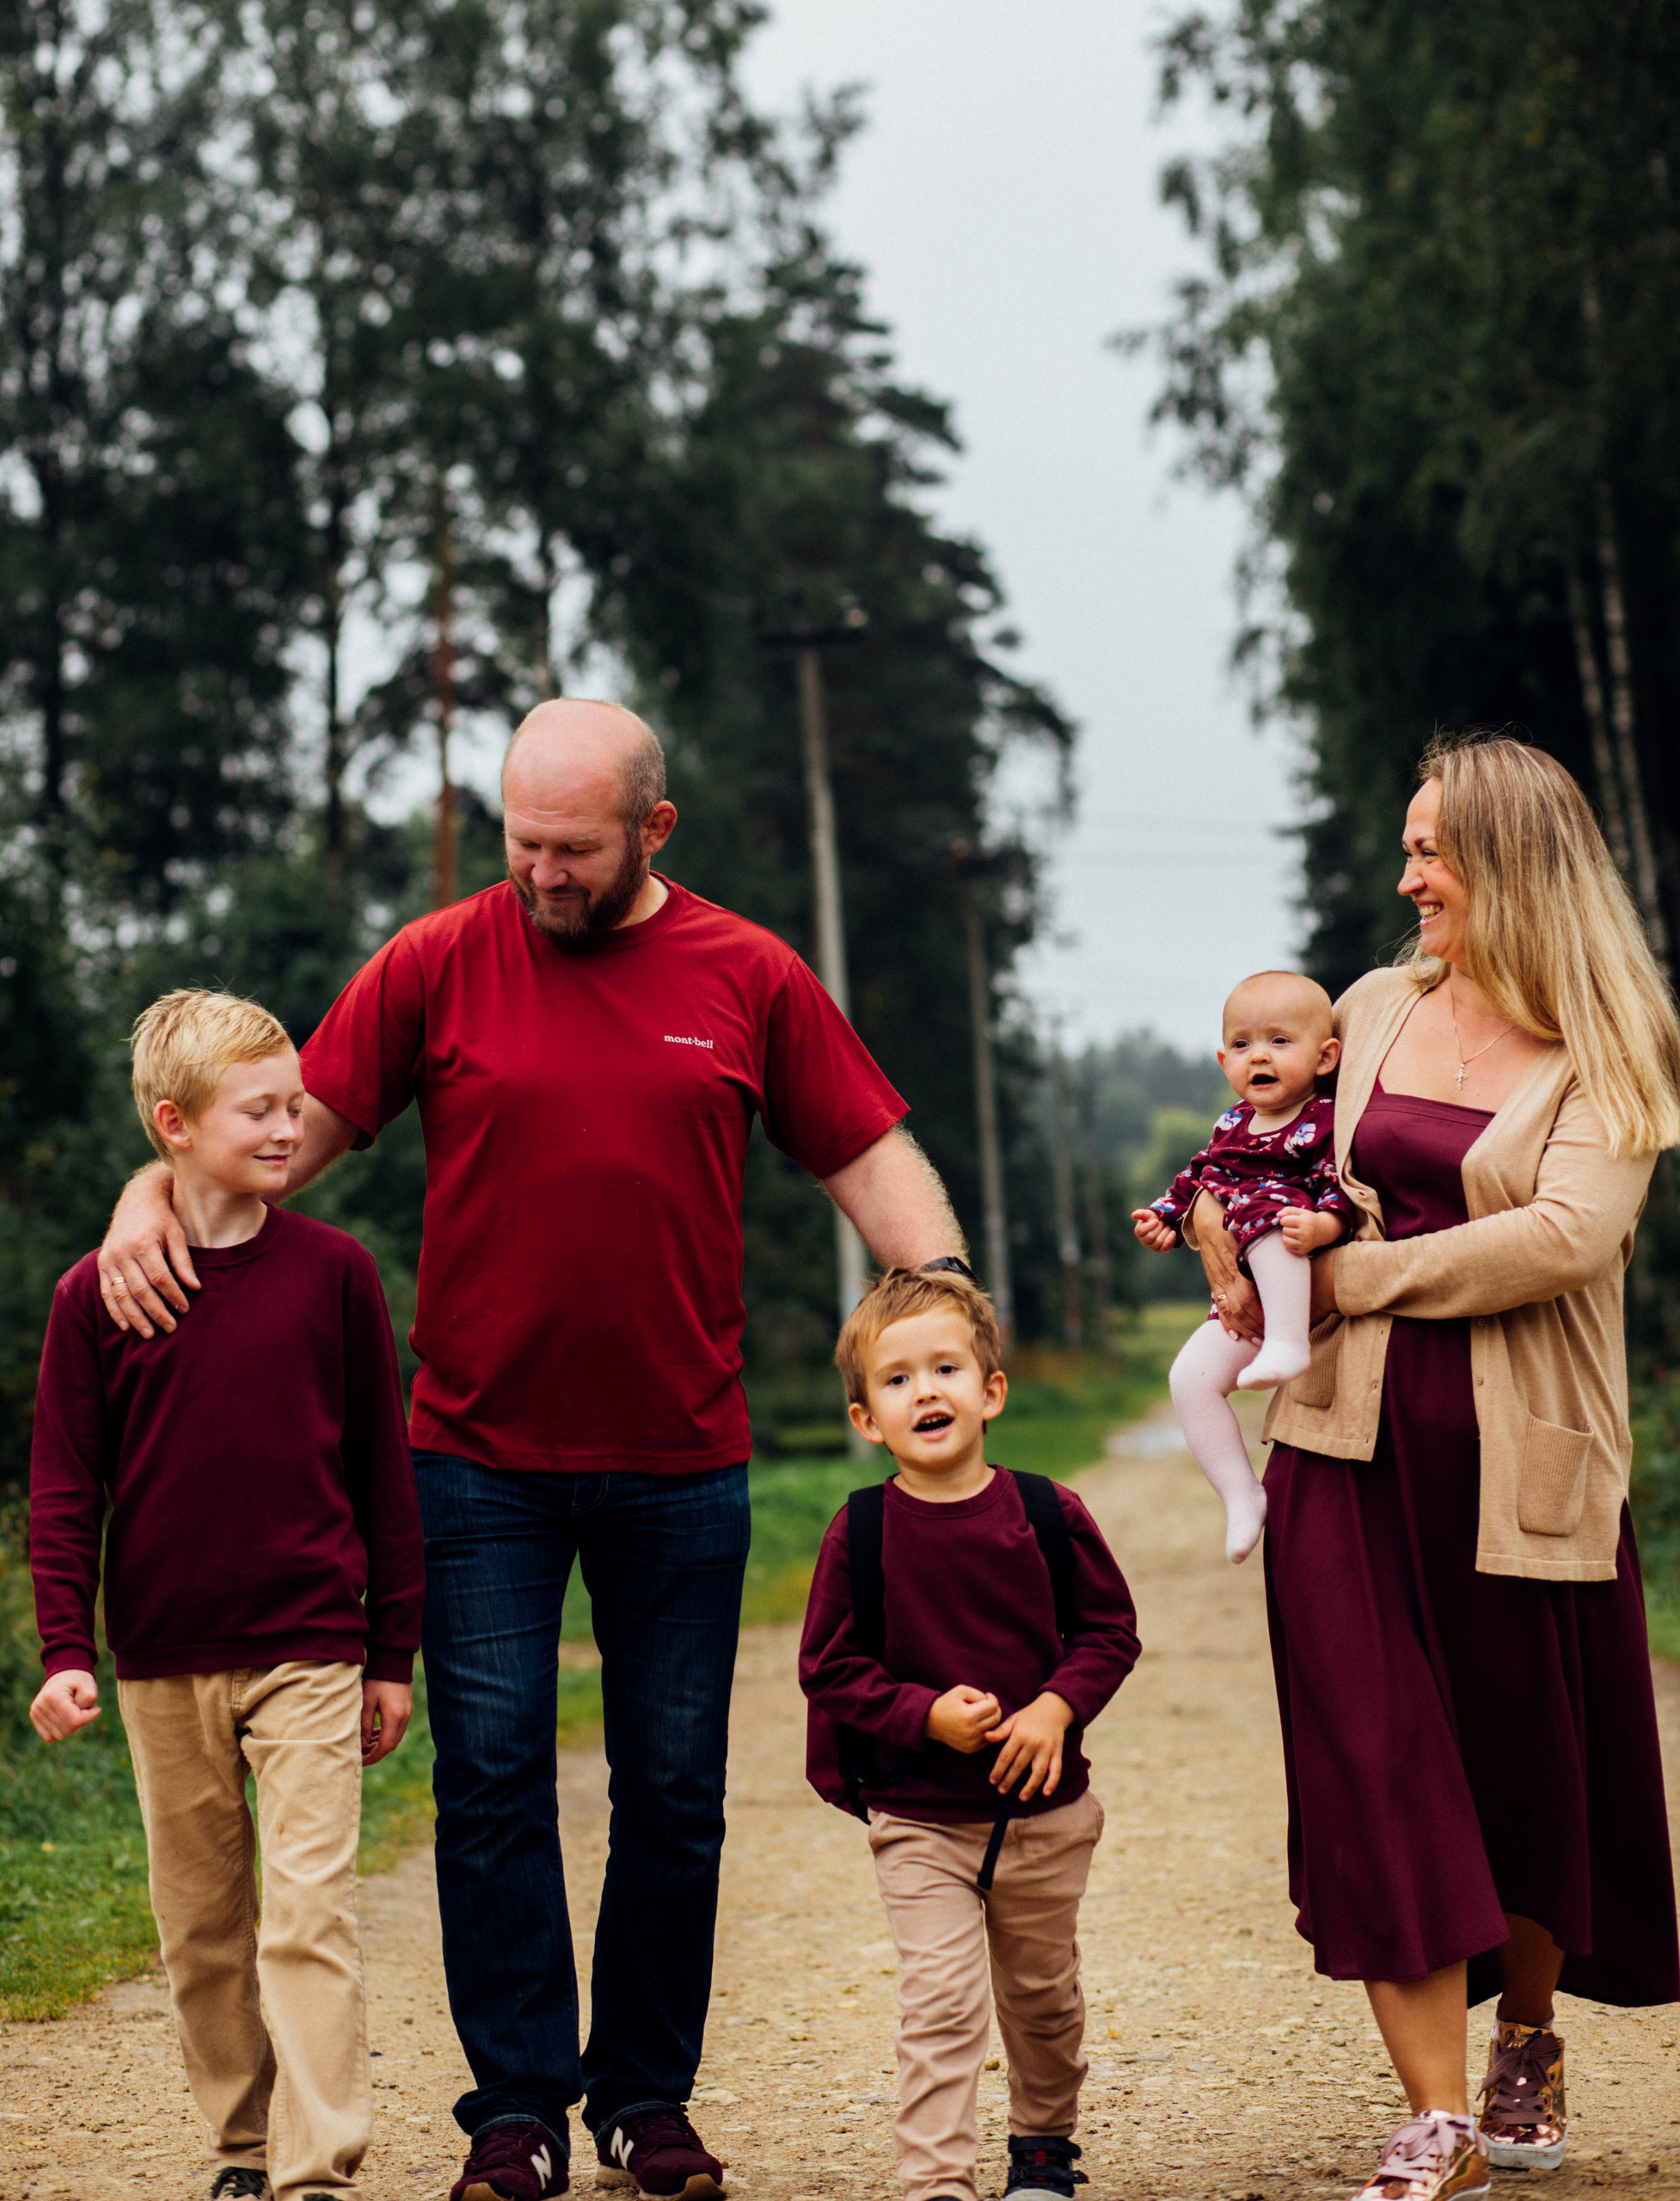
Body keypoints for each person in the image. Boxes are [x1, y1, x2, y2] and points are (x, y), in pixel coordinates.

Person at [97, 701, 972, 2201]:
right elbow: (273, 1138)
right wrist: (143, 1195)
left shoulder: (747, 973)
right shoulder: (434, 962)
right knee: (492, 1784)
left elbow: (863, 1151)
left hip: (681, 1459)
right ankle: (514, 2113)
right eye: (522, 843)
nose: (542, 873)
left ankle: (642, 2099)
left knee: (672, 1793)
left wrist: (946, 1304)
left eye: (573, 849)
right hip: (474, 1462)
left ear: (653, 829)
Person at [1188, 736, 1680, 2201]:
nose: (1404, 877)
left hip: (1521, 1466)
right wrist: (1224, 1228)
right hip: (1341, 1446)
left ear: (1509, 864)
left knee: (1527, 1769)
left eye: (1429, 852)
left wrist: (1352, 1277)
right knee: (1371, 1761)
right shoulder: (1368, 1008)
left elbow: (1560, 1238)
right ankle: (1436, 2116)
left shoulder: (1613, 1041)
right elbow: (1284, 1159)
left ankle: (1523, 2034)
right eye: (1406, 847)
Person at [30, 989, 424, 2201]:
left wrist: (390, 1654)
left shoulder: (335, 1273)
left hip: (311, 1643)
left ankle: (317, 2168)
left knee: (306, 1915)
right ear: (175, 1124)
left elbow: (382, 1474)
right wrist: (64, 1649)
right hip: (161, 1654)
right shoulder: (94, 1296)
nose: (288, 1128)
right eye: (258, 1110)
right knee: (201, 1929)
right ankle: (243, 2146)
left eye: (293, 1105)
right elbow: (65, 1488)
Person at [799, 1267, 1139, 2201]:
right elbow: (828, 1666)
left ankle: (1043, 2145)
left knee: (1042, 1999)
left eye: (945, 1369)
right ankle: (936, 2181)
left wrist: (1056, 1707)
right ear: (867, 1418)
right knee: (942, 2003)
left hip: (1043, 1816)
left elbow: (1109, 1631)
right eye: (897, 1378)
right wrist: (923, 1716)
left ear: (991, 1391)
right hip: (919, 1820)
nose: (925, 1392)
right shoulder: (860, 1531)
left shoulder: (1047, 1512)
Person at [1131, 971, 1352, 1560]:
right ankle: (1240, 1494)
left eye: (1280, 1041)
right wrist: (1165, 1218)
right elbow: (1199, 1175)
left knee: (1264, 1207)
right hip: (1239, 1300)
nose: (1259, 1055)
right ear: (1223, 1060)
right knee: (1190, 1379)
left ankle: (1287, 1344)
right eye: (1242, 1044)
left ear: (1325, 1057)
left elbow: (1342, 1185)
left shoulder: (1326, 1119)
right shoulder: (1231, 1124)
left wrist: (1324, 1226)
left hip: (1301, 1284)